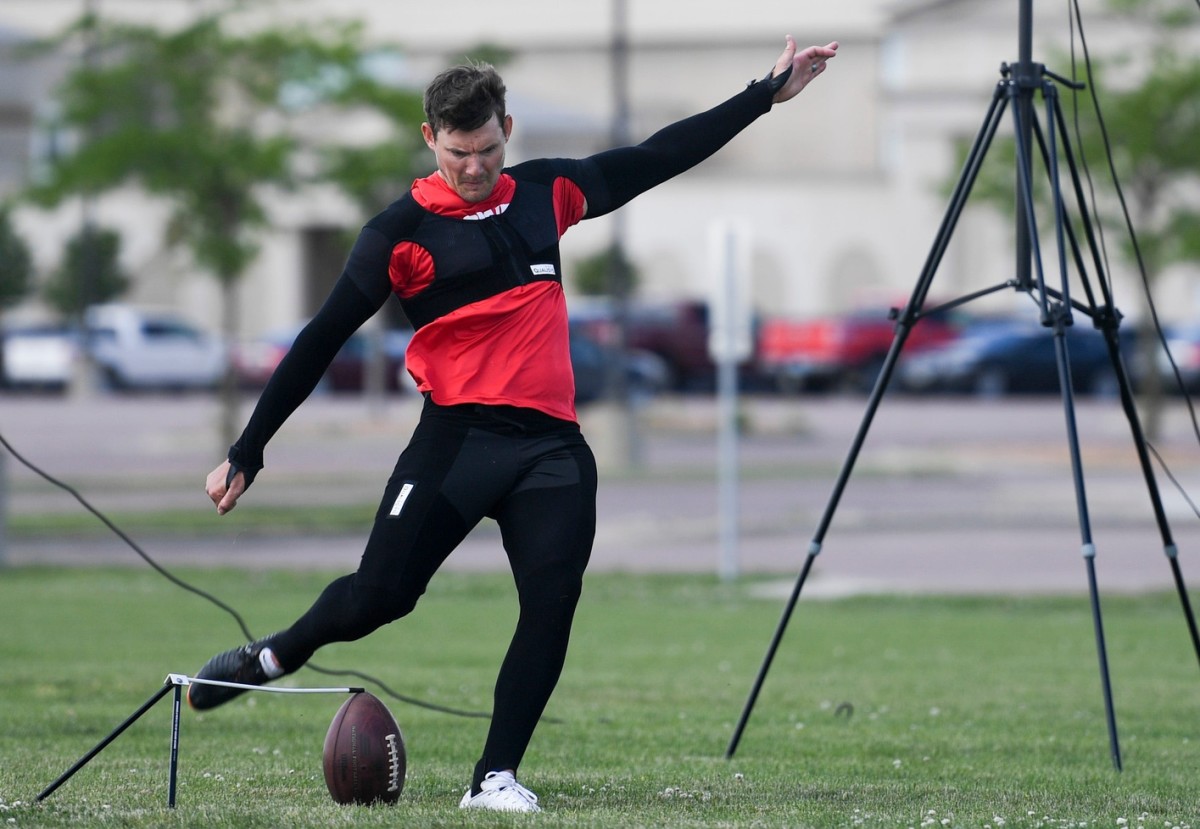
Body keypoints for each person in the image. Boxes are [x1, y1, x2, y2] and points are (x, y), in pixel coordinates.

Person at [188, 34, 838, 813]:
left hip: (551, 449)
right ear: (430, 139)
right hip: (456, 441)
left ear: (509, 129)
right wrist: (247, 449)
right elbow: (318, 342)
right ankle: (273, 654)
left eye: (488, 149)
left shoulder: (546, 193)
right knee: (379, 597)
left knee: (552, 599)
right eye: (459, 153)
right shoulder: (396, 236)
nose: (475, 168)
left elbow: (660, 154)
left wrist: (761, 94)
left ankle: (493, 776)